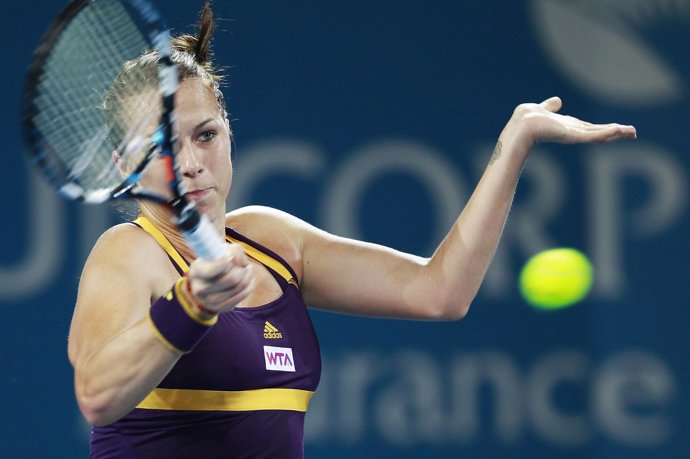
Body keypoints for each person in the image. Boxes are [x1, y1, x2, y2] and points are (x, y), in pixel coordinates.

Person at [67, 2, 637, 458]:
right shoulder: (129, 253)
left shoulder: (271, 240)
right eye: (164, 146)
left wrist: (516, 141)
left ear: (230, 134)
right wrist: (190, 304)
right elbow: (97, 396)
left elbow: (440, 292)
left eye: (207, 135)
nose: (190, 163)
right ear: (124, 166)